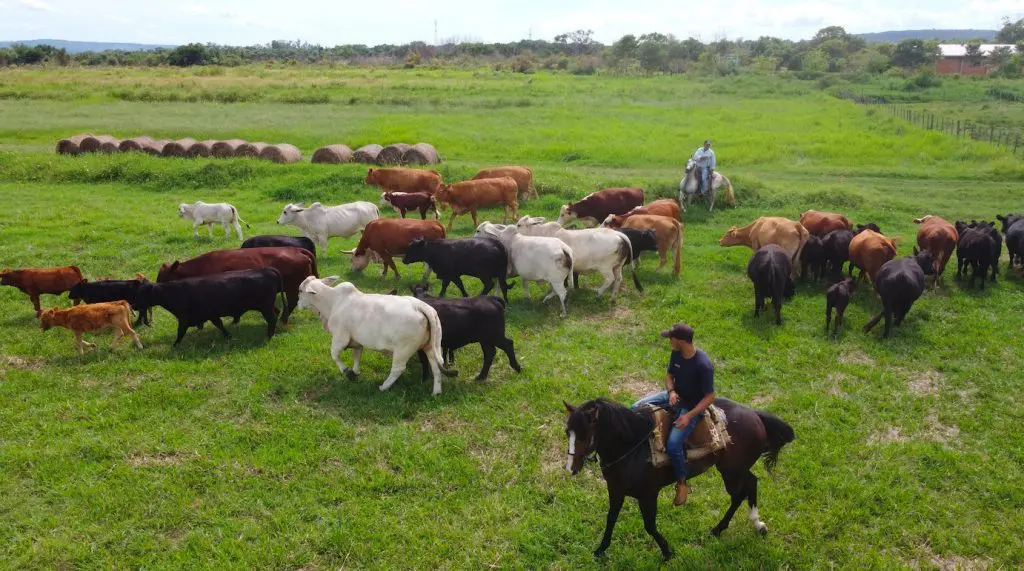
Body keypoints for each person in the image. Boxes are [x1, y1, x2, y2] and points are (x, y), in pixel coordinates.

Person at [632, 322, 716, 506]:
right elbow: (669, 376)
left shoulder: (703, 365)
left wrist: (688, 416)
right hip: (674, 396)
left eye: (671, 338)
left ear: (679, 341)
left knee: (673, 444)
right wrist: (671, 392)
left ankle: (682, 483)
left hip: (691, 407)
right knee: (635, 407)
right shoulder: (676, 353)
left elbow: (710, 396)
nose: (669, 341)